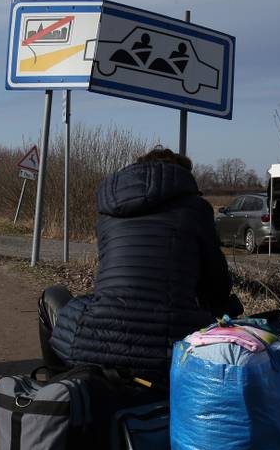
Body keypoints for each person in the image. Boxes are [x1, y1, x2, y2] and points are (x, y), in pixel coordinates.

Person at [37, 147, 242, 382]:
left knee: (52, 295)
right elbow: (217, 286)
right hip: (173, 348)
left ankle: (58, 385)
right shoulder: (196, 209)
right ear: (181, 177)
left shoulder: (109, 212)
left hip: (96, 342)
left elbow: (107, 278)